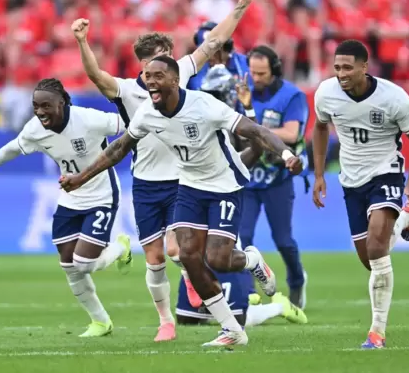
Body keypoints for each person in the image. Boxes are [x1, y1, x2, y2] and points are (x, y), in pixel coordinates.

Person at [60, 56, 304, 348]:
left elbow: (256, 132)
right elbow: (119, 149)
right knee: (189, 257)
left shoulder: (204, 105)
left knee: (218, 260)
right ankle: (232, 330)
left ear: (175, 80)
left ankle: (251, 260)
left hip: (225, 184)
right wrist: (82, 177)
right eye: (146, 75)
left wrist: (288, 156)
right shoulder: (147, 113)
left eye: (158, 75)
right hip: (189, 185)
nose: (150, 81)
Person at [70, 0, 258, 342]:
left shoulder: (180, 75)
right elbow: (95, 75)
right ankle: (165, 321)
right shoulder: (126, 89)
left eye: (159, 60)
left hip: (181, 178)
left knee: (177, 249)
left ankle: (194, 281)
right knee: (154, 258)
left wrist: (240, 6)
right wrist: (82, 41)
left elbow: (213, 42)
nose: (152, 70)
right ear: (140, 64)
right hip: (145, 183)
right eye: (146, 63)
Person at [0, 78, 131, 338]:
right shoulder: (35, 129)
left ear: (63, 102)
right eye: (36, 106)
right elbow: (13, 148)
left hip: (102, 195)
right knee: (69, 265)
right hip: (69, 198)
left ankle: (121, 247)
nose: (40, 111)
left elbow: (131, 125)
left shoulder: (89, 119)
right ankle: (100, 322)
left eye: (46, 105)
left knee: (85, 264)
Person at [311, 40, 409, 350]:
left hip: (385, 172)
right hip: (351, 181)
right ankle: (403, 221)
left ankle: (377, 332)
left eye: (348, 67)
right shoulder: (326, 93)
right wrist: (320, 174)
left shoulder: (393, 98)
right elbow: (320, 128)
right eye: (337, 68)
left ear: (365, 66)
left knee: (377, 246)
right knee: (371, 258)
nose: (341, 74)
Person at [174, 65, 307, 328]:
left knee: (237, 311)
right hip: (195, 193)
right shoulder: (193, 116)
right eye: (210, 92)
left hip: (223, 197)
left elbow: (254, 148)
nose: (213, 96)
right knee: (188, 317)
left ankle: (271, 305)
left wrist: (249, 113)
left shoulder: (226, 119)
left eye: (218, 92)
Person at [235, 45, 309, 308]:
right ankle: (247, 292)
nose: (255, 79)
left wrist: (258, 131)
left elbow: (292, 134)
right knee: (242, 237)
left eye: (262, 73)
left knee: (284, 240)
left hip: (277, 178)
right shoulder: (244, 93)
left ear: (275, 70)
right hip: (249, 178)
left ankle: (298, 281)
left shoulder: (292, 96)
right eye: (252, 72)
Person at [186, 20, 250, 91]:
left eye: (215, 51)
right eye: (204, 52)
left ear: (227, 47)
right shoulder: (193, 71)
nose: (210, 57)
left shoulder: (246, 65)